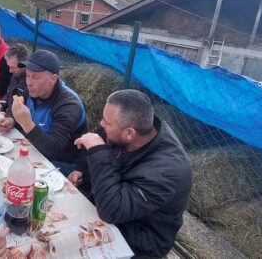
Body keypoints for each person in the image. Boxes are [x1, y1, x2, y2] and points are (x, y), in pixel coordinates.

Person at [68, 90, 192, 258]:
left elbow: (112, 211)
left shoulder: (168, 172)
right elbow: (95, 136)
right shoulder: (130, 128)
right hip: (106, 210)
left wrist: (98, 152)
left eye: (107, 122)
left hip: (140, 239)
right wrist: (81, 167)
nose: (101, 124)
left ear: (129, 134)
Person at [0, 50, 87, 175]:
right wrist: (11, 119)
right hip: (34, 148)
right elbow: (16, 111)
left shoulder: (68, 105)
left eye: (36, 77)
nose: (29, 82)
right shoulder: (33, 90)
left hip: (60, 163)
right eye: (28, 75)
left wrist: (27, 124)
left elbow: (55, 149)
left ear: (53, 79)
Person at [0, 43, 30, 111]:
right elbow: (9, 93)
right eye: (9, 67)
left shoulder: (30, 82)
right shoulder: (15, 76)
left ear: (23, 64)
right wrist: (0, 105)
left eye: (13, 67)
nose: (10, 71)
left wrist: (9, 117)